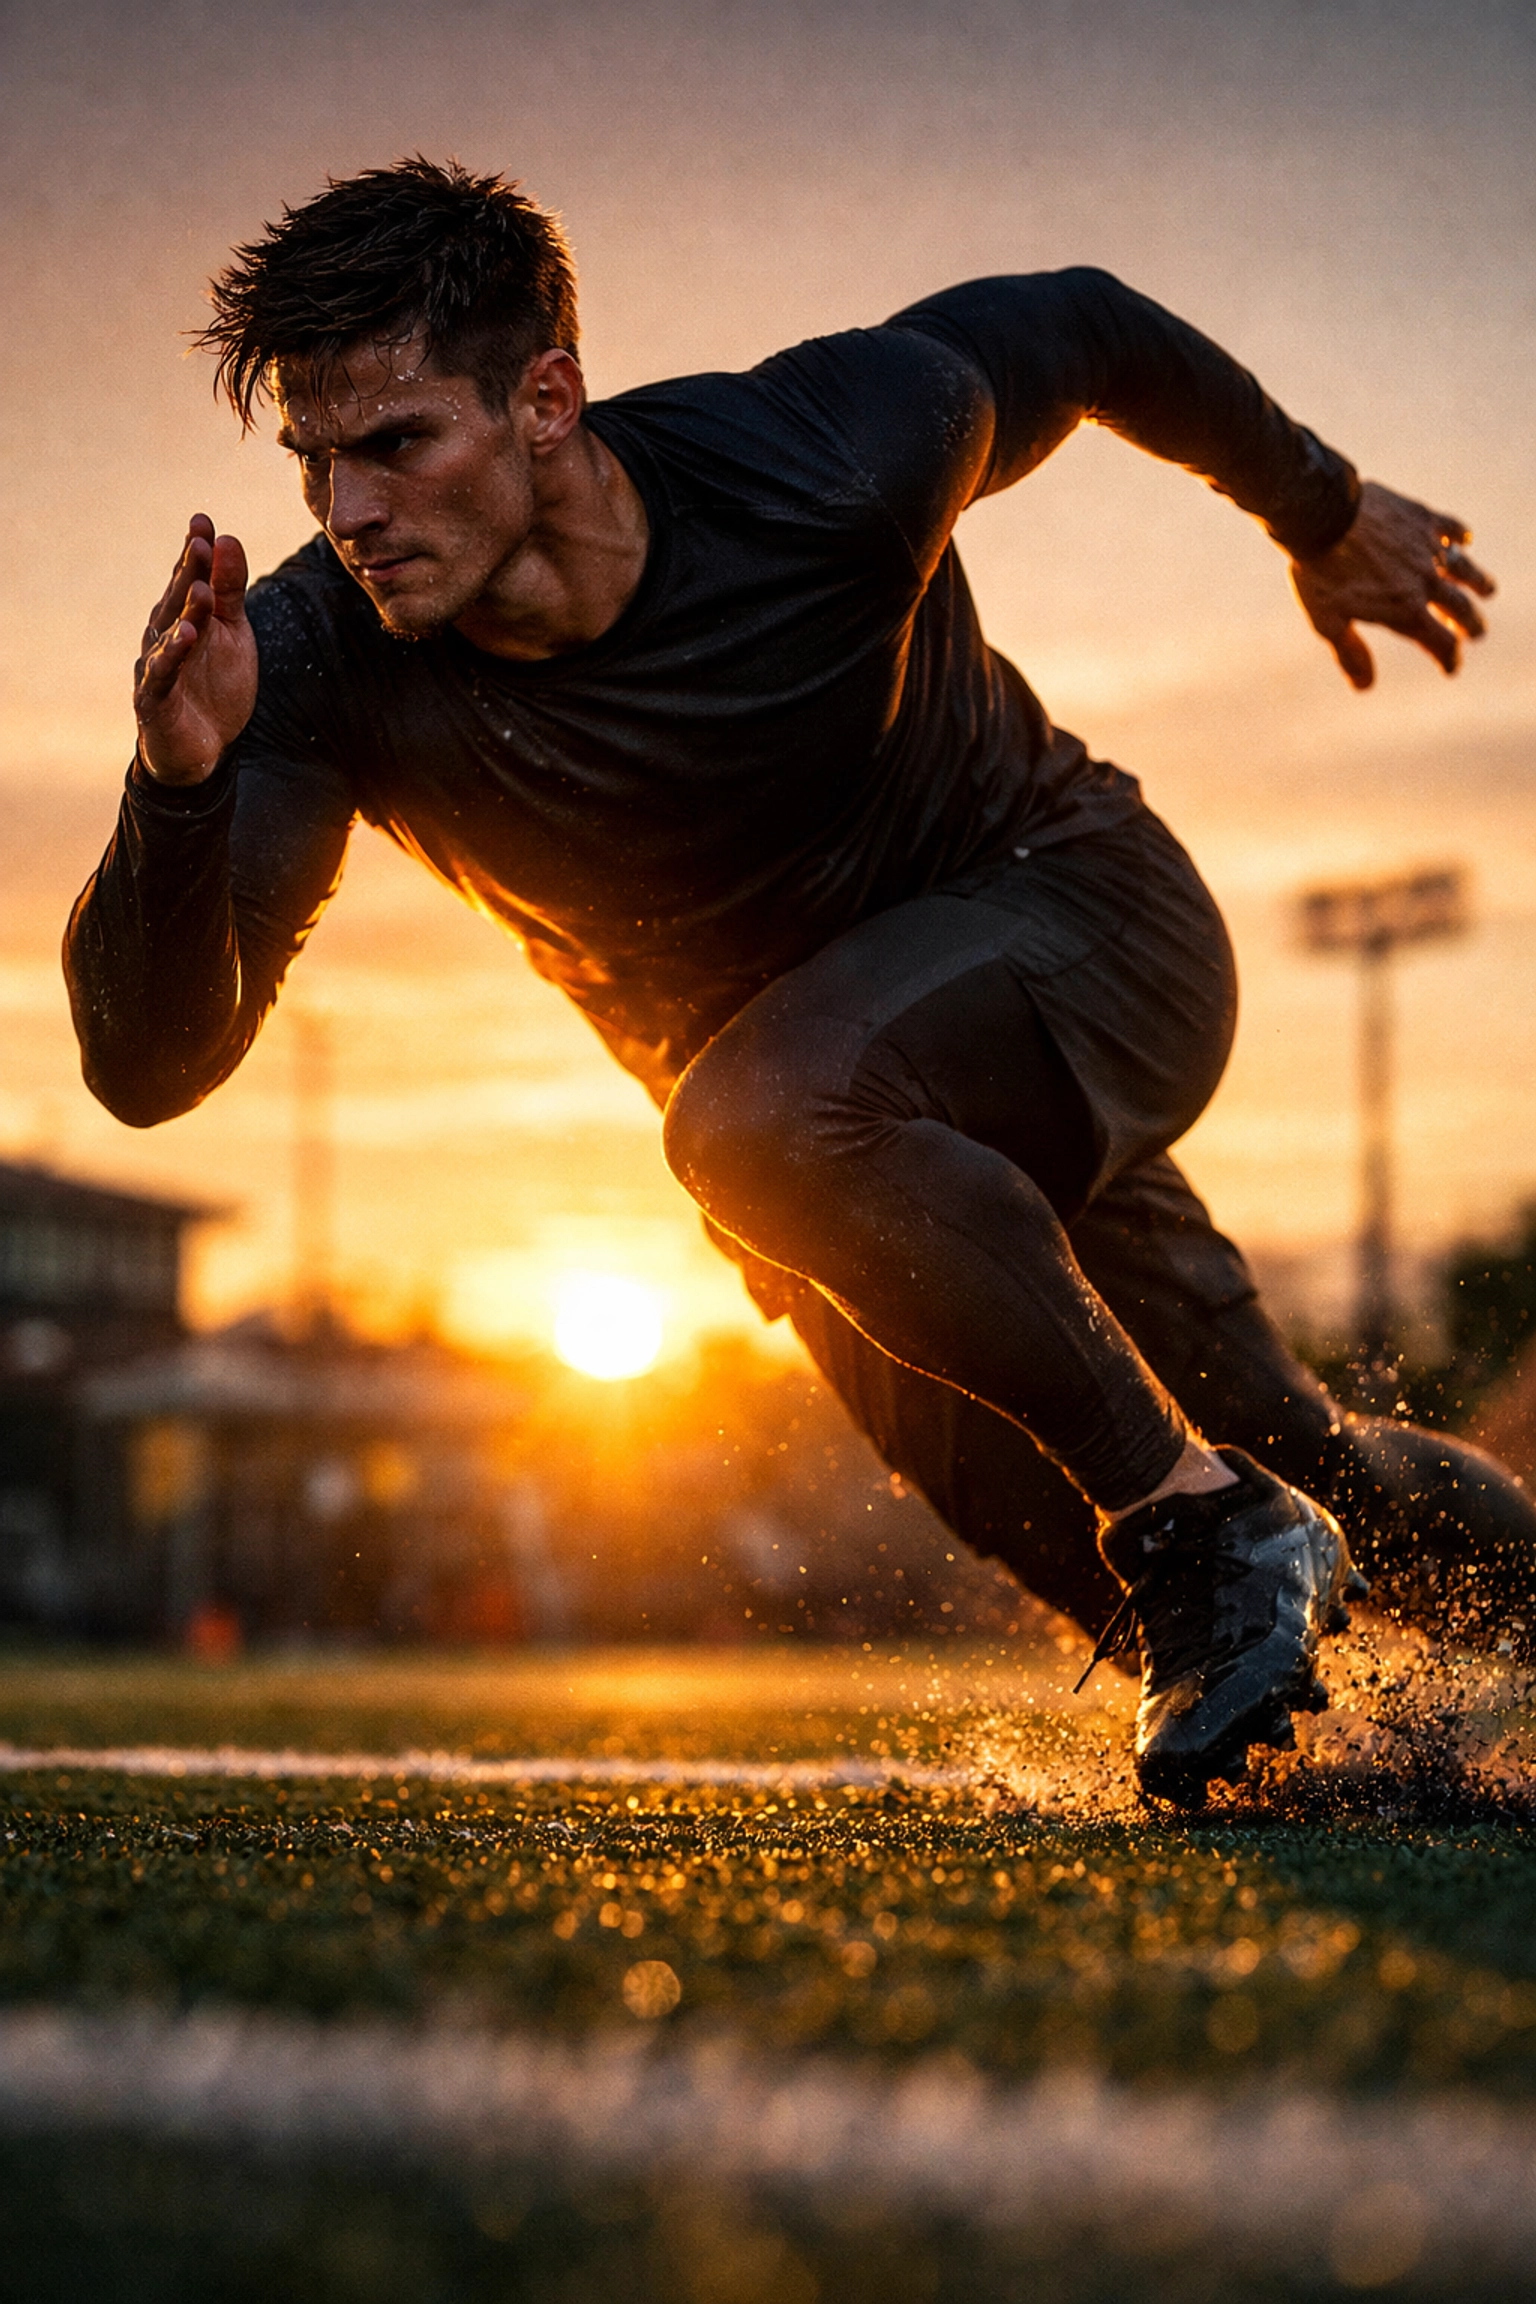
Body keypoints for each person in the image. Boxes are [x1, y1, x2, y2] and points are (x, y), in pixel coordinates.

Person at [66, 159, 1528, 1805]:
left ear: (546, 399)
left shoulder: (829, 454)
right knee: (1273, 1477)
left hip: (1078, 933)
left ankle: (1207, 1520)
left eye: (397, 443)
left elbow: (1088, 328)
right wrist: (176, 786)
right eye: (316, 460)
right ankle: (1356, 1635)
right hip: (839, 1165)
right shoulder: (319, 658)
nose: (349, 514)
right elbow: (149, 1066)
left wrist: (1321, 511)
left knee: (793, 1157)